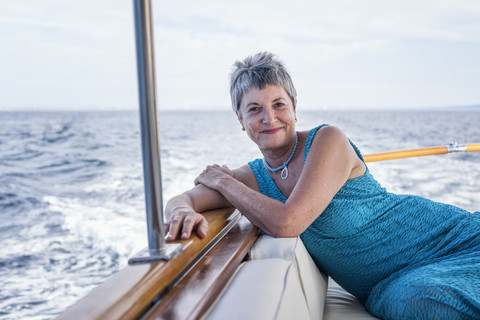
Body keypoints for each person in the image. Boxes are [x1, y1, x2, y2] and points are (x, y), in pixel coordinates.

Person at [165, 51, 480, 319]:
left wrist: (223, 180)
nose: (269, 118)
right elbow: (184, 198)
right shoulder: (252, 178)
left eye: (278, 104)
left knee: (429, 298)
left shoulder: (327, 140)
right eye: (255, 109)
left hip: (453, 241)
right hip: (391, 284)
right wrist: (181, 209)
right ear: (240, 118)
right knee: (423, 301)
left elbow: (288, 222)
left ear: (294, 107)